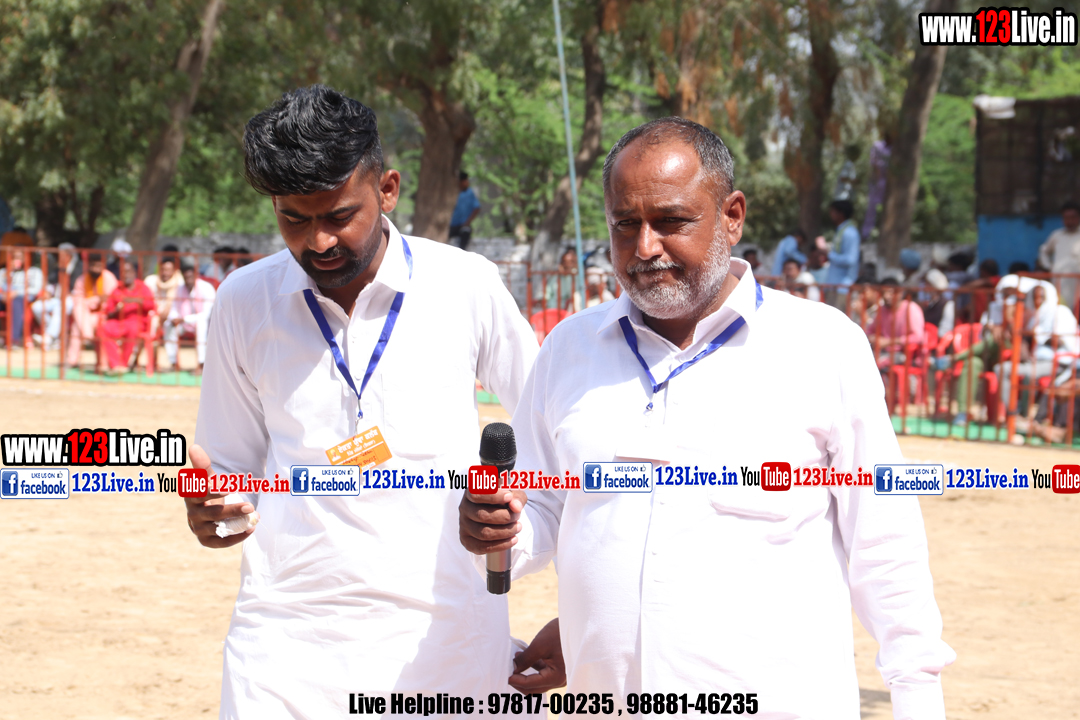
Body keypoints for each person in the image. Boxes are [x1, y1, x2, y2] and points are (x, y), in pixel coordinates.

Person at [459, 117, 954, 719]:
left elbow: (885, 541)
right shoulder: (569, 349)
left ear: (731, 216)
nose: (645, 248)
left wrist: (917, 697)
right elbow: (542, 507)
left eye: (670, 221)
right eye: (624, 224)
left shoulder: (822, 347)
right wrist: (500, 527)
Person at [183, 85, 539, 718]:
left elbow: (550, 426)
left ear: (387, 189)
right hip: (285, 645)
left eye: (339, 215)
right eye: (294, 219)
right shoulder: (243, 301)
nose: (319, 242)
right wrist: (215, 511)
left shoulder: (466, 286)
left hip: (446, 640)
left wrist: (513, 521)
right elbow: (230, 466)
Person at [98, 258, 155, 373]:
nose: (126, 275)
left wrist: (136, 301)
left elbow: (152, 305)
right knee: (103, 329)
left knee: (133, 329)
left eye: (128, 271)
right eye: (123, 272)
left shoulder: (142, 287)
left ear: (134, 273)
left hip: (137, 322)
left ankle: (123, 364)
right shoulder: (117, 289)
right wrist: (116, 309)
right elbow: (108, 311)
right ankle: (116, 364)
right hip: (119, 321)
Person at [164, 258, 215, 375]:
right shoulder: (179, 288)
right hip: (184, 323)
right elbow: (174, 309)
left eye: (190, 277)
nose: (188, 280)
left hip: (206, 324)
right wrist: (174, 318)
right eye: (186, 277)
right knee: (168, 325)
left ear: (196, 275)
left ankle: (201, 364)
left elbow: (206, 315)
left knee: (201, 325)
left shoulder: (206, 288)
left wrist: (184, 319)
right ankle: (173, 363)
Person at [66, 252, 118, 368]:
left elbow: (112, 300)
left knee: (80, 327)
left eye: (98, 266)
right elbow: (78, 300)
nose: (95, 269)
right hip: (86, 314)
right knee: (76, 325)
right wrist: (95, 300)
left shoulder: (109, 278)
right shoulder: (82, 279)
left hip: (104, 315)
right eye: (92, 265)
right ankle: (72, 360)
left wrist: (94, 301)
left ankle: (102, 361)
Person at [866, 278, 926, 371]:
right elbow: (870, 331)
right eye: (883, 293)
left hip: (904, 355)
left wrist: (889, 342)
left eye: (890, 293)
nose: (886, 296)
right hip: (883, 352)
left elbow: (918, 337)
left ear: (900, 293)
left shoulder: (911, 309)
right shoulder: (882, 310)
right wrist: (873, 338)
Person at [31, 243, 79, 350]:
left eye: (62, 255)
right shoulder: (58, 267)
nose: (59, 257)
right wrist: (47, 292)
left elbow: (78, 287)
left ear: (69, 255)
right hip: (55, 298)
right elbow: (51, 283)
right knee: (37, 307)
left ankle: (48, 338)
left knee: (60, 308)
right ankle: (54, 337)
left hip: (71, 299)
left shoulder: (78, 267)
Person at [1038, 200, 1080, 311]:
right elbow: (1044, 251)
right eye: (1066, 218)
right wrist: (1049, 267)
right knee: (1061, 310)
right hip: (1060, 282)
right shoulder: (1057, 235)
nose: (1070, 221)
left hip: (1078, 282)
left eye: (1073, 217)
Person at [0, 248, 44, 346]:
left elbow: (36, 289)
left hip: (23, 298)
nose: (17, 260)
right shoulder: (4, 271)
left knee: (15, 301)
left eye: (20, 257)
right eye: (14, 257)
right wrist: (8, 273)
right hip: (4, 297)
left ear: (26, 257)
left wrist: (17, 292)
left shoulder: (34, 271)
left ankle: (13, 340)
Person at [824, 198, 860, 307]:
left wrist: (829, 254)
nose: (830, 214)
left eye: (833, 211)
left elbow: (851, 259)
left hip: (843, 287)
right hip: (834, 286)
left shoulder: (850, 232)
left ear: (841, 213)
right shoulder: (841, 230)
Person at [143, 246, 182, 334]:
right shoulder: (150, 281)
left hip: (170, 315)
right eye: (163, 270)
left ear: (174, 270)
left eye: (168, 270)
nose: (165, 273)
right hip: (153, 314)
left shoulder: (179, 282)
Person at [449, 171, 481, 250]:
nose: (467, 182)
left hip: (464, 225)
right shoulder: (451, 193)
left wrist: (467, 222)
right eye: (465, 181)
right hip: (451, 225)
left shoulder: (470, 193)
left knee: (465, 234)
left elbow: (477, 208)